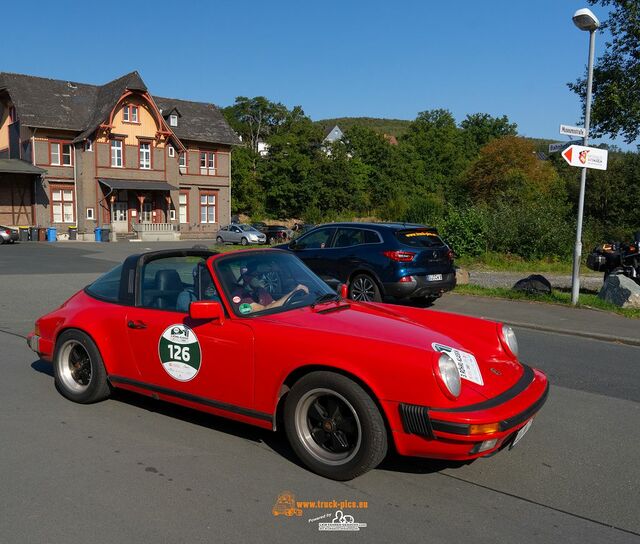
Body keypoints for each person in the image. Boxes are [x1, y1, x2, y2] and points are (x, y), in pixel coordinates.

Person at [232, 265, 308, 313]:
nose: (262, 278)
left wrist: (296, 303)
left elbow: (274, 304)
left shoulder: (260, 291)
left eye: (263, 275)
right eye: (257, 275)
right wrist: (293, 292)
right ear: (246, 277)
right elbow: (264, 310)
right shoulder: (240, 296)